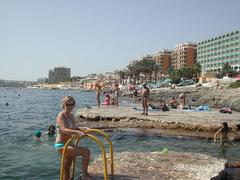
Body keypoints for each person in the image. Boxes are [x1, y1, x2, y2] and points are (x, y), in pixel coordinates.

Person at [55, 96, 92, 180]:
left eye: (72, 104)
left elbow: (74, 128)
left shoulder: (71, 115)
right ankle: (84, 175)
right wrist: (78, 132)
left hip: (69, 144)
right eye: (67, 104)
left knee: (67, 169)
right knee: (86, 152)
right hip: (61, 145)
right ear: (63, 105)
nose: (70, 106)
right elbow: (64, 130)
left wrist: (84, 129)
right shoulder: (61, 115)